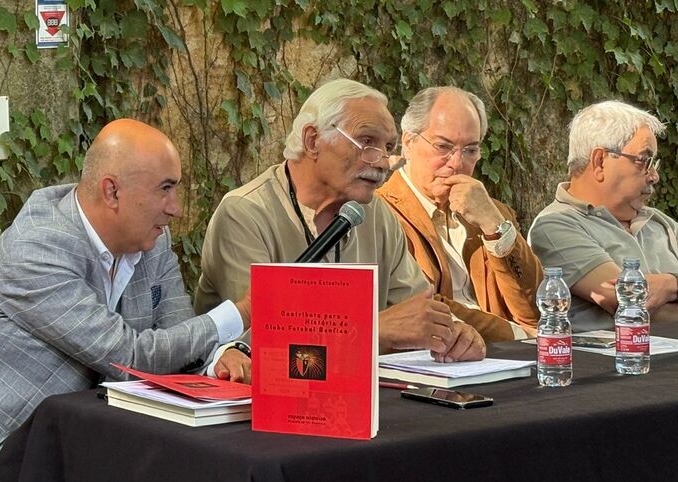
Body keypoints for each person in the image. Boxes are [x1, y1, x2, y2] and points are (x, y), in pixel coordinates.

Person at [0, 119, 252, 482]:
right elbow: (129, 358)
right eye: (165, 189)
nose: (176, 208)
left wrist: (222, 356)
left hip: (99, 453)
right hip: (10, 466)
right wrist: (241, 313)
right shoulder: (36, 248)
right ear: (112, 191)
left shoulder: (152, 237)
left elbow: (181, 335)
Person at [194, 78, 486, 362]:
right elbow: (253, 343)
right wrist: (373, 331)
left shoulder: (375, 214)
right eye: (367, 142)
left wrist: (452, 334)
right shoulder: (246, 214)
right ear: (313, 140)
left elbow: (416, 311)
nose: (383, 161)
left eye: (387, 146)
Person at [376, 86, 542, 342]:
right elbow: (422, 305)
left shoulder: (492, 212)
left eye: (470, 150)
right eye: (443, 146)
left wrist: (494, 225)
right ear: (408, 142)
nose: (457, 162)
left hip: (509, 358)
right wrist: (512, 333)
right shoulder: (382, 214)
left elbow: (534, 311)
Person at [528, 100, 678, 332]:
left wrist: (669, 284)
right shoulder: (556, 226)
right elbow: (629, 303)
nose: (654, 176)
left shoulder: (661, 222)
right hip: (613, 363)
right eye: (643, 160)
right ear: (600, 161)